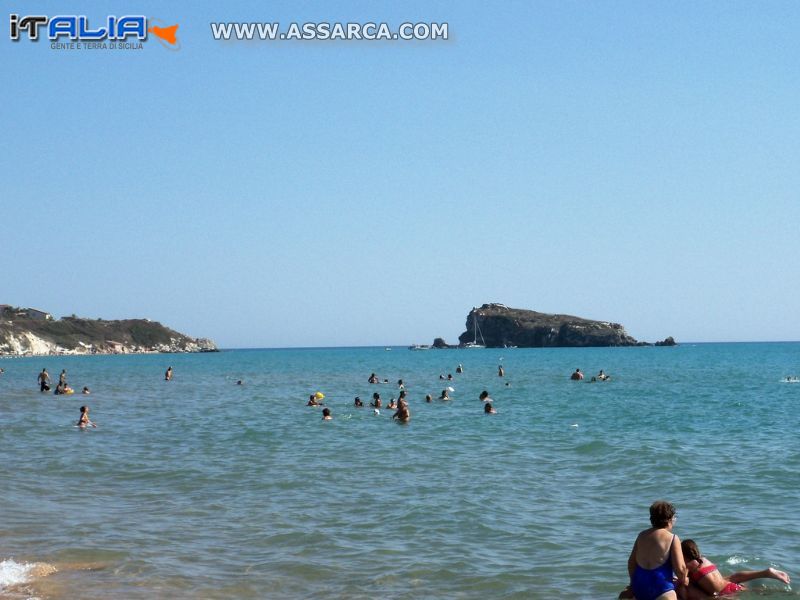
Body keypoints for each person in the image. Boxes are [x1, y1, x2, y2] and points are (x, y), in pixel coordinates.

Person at [624, 500, 687, 600]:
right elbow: (680, 569)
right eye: (674, 517)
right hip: (661, 589)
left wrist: (633, 583)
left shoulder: (641, 535)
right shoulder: (672, 538)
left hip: (639, 587)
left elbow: (631, 563)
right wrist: (684, 581)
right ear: (669, 519)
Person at [681, 539, 789, 597]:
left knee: (760, 592)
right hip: (730, 585)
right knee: (734, 579)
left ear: (683, 555)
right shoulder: (704, 560)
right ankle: (766, 573)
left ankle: (789, 593)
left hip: (725, 593)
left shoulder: (688, 566)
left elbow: (684, 582)